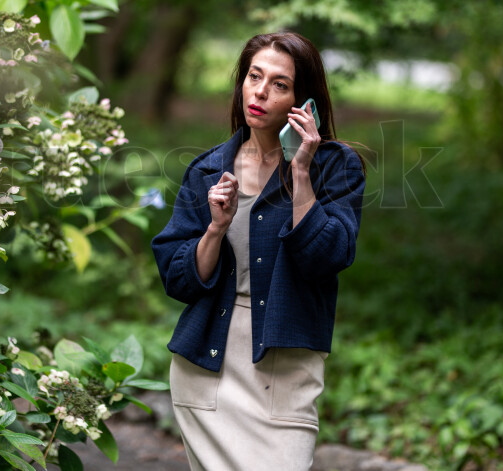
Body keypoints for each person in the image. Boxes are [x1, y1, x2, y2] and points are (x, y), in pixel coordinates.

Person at [151, 32, 366, 470]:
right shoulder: (208, 169)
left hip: (284, 372)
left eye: (280, 84)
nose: (261, 92)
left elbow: (329, 256)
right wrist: (215, 229)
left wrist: (300, 171)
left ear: (302, 101)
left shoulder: (335, 167)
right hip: (207, 372)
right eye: (254, 76)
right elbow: (176, 277)